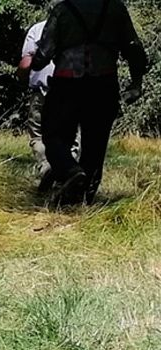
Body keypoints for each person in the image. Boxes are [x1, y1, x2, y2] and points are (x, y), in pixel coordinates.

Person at [32, 0, 149, 205]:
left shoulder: (63, 10)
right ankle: (85, 202)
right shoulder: (115, 9)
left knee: (53, 137)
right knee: (96, 145)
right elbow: (135, 50)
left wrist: (36, 60)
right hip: (103, 85)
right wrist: (136, 84)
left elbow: (43, 54)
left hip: (67, 84)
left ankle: (70, 171)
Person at [18, 20, 78, 190]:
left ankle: (46, 169)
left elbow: (25, 63)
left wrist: (22, 80)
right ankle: (69, 172)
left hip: (42, 92)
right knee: (71, 137)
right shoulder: (79, 28)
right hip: (71, 90)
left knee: (38, 135)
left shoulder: (37, 29)